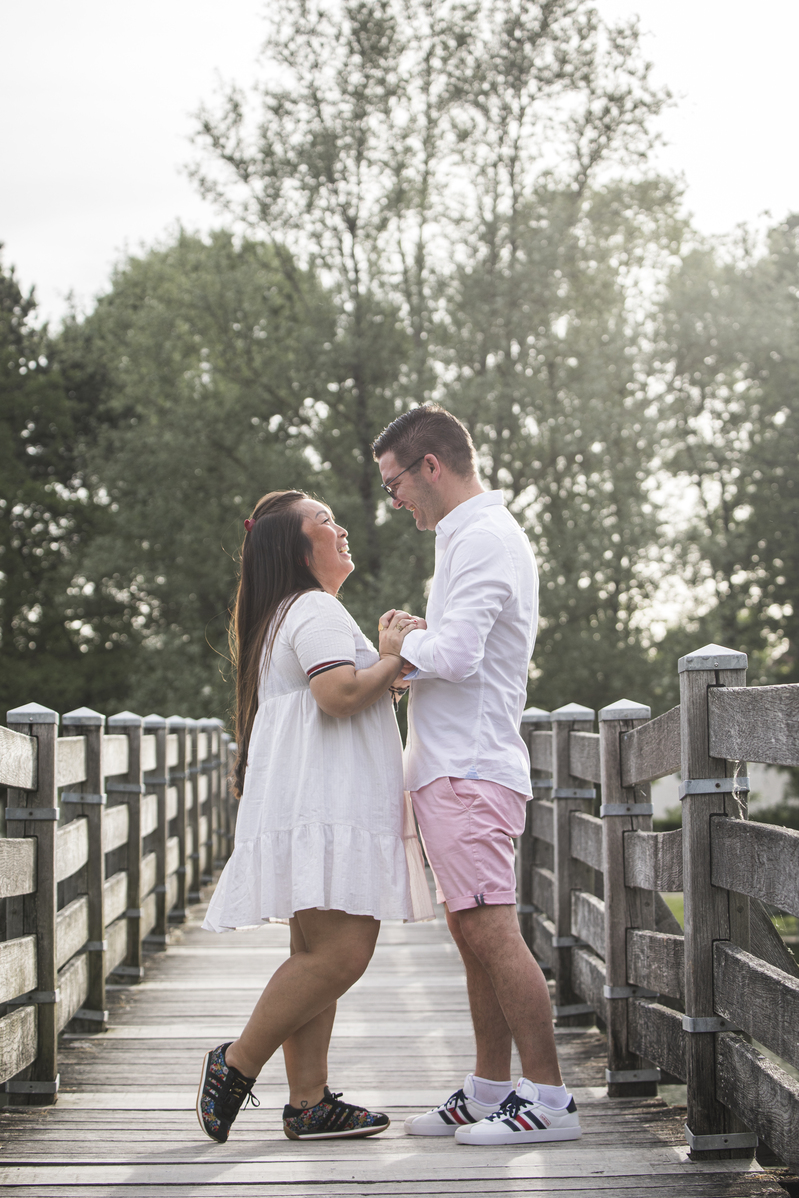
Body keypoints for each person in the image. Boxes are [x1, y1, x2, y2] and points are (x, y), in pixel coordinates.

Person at [372, 405, 582, 1147]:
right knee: (470, 932)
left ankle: (550, 1101)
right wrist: (418, 647)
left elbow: (459, 656)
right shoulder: (464, 537)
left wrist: (398, 645)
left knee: (492, 931)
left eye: (395, 483)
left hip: (469, 770)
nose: (394, 499)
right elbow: (461, 649)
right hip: (447, 767)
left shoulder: (485, 537)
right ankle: (491, 1087)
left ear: (430, 465)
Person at [197, 490, 432, 1145]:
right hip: (329, 805)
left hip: (308, 804)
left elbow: (332, 694)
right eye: (326, 521)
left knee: (312, 954)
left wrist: (386, 671)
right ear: (299, 550)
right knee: (341, 954)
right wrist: (391, 653)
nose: (342, 528)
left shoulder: (283, 614)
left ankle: (309, 1102)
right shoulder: (315, 607)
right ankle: (236, 1062)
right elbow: (337, 694)